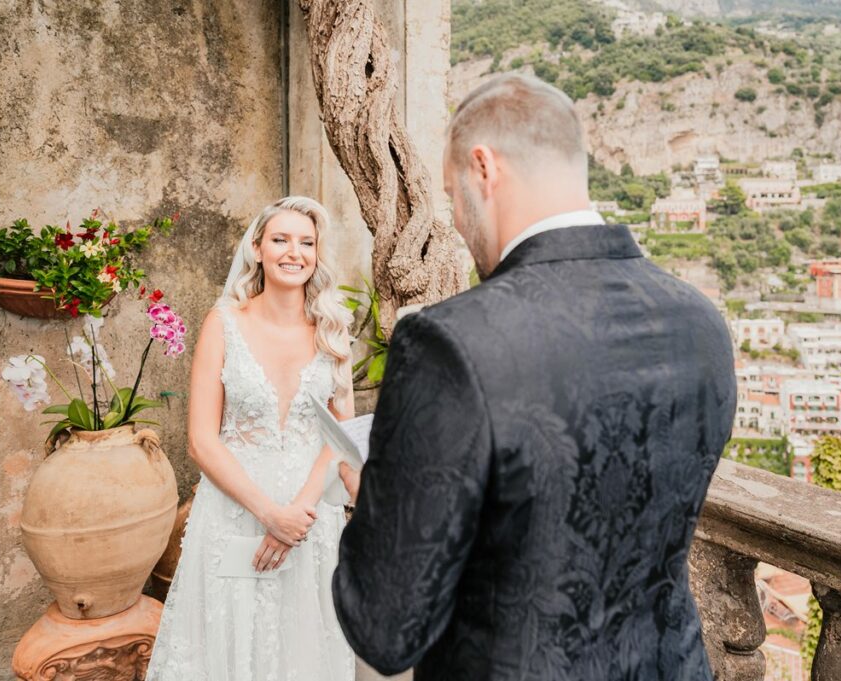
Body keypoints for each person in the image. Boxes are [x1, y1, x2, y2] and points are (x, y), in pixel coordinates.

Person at [332, 74, 737, 679]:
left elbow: (386, 630)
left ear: (483, 169)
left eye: (451, 196)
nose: (459, 225)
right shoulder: (701, 322)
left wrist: (379, 507)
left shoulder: (450, 341)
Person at [146, 196, 355, 681]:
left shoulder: (334, 328)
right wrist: (269, 514)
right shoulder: (223, 324)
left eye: (306, 242)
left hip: (309, 520)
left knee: (303, 646)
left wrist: (297, 515)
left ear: (317, 254)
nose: (293, 252)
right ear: (257, 249)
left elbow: (341, 430)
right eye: (280, 239)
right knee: (230, 644)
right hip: (235, 513)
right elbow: (201, 440)